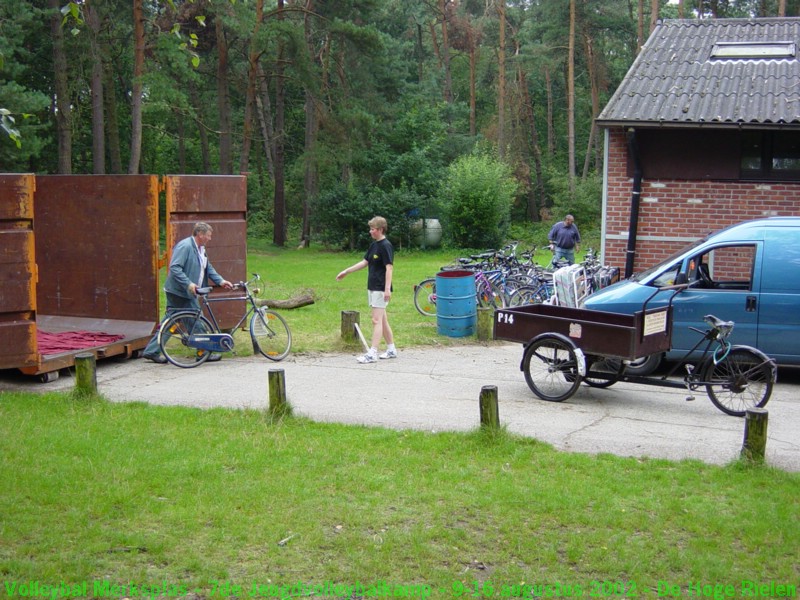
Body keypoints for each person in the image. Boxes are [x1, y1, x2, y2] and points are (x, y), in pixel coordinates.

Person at [143, 222, 234, 363]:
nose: (210, 238)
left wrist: (221, 281)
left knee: (172, 321)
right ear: (200, 234)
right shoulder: (185, 246)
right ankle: (204, 352)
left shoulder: (201, 249)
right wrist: (189, 284)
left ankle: (152, 351)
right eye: (208, 235)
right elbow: (175, 268)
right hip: (180, 292)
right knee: (197, 321)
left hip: (185, 292)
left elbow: (207, 268)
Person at [336, 216, 396, 364]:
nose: (370, 231)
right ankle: (391, 349)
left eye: (373, 229)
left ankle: (372, 353)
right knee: (382, 319)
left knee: (376, 320)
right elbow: (364, 262)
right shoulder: (374, 245)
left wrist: (387, 289)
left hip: (380, 288)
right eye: (370, 229)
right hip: (372, 287)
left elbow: (389, 268)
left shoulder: (386, 245)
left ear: (380, 229)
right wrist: (346, 271)